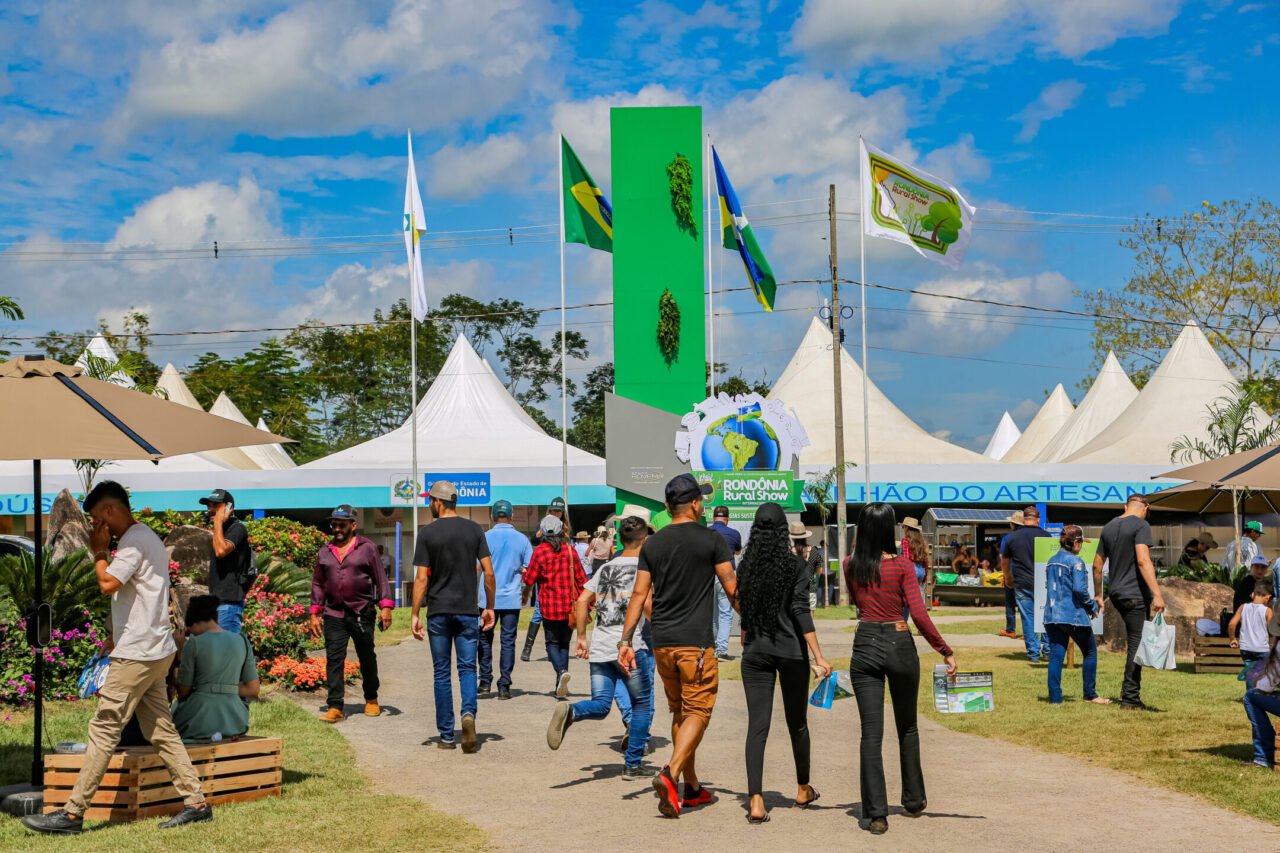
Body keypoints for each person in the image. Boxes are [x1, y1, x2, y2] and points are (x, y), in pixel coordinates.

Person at [23, 481, 210, 834]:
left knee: (104, 727)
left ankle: (73, 814)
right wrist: (114, 634)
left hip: (137, 654)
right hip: (155, 650)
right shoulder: (147, 537)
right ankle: (196, 802)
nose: (94, 526)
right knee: (161, 730)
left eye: (95, 518)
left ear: (109, 512)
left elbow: (108, 584)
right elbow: (139, 596)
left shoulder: (133, 542)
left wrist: (98, 551)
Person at [618, 473, 737, 820]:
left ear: (669, 507)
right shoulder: (711, 539)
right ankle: (670, 774)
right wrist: (757, 626)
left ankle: (693, 788)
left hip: (663, 644)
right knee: (698, 712)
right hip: (696, 645)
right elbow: (731, 587)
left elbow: (640, 595)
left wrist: (625, 641)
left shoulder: (652, 544)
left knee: (680, 713)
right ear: (696, 504)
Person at [845, 503, 954, 836]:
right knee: (907, 726)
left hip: (864, 642)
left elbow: (856, 602)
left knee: (870, 733)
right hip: (898, 640)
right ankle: (913, 797)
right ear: (889, 530)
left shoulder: (851, 565)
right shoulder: (904, 566)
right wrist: (945, 650)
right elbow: (919, 615)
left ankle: (876, 813)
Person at [737, 503, 833, 824]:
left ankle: (755, 800)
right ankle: (803, 788)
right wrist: (818, 655)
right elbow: (800, 611)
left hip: (755, 653)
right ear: (782, 533)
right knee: (798, 724)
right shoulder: (795, 566)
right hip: (791, 652)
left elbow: (744, 605)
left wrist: (746, 630)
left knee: (757, 726)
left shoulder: (745, 566)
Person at [547, 515, 656, 780]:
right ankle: (632, 764)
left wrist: (582, 637)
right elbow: (649, 608)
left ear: (620, 540)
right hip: (631, 645)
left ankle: (572, 711)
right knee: (641, 705)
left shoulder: (605, 568)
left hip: (601, 644)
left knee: (601, 703)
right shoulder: (646, 568)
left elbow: (582, 600)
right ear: (644, 540)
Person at [411, 481, 496, 753]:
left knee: (442, 673)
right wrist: (489, 607)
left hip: (438, 612)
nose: (429, 505)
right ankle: (468, 715)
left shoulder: (427, 534)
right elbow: (489, 573)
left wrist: (414, 613)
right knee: (468, 669)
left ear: (438, 502)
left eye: (430, 501)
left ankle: (447, 736)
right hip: (467, 610)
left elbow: (422, 578)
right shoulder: (474, 530)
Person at [309, 505, 394, 723]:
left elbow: (380, 579)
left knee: (367, 657)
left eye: (341, 524)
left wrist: (386, 607)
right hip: (333, 613)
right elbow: (318, 583)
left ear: (353, 525)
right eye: (334, 524)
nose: (336, 528)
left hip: (362, 611)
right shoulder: (325, 551)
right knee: (334, 659)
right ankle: (335, 706)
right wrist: (314, 612)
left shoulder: (367, 548)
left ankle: (371, 698)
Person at [1094, 493, 1166, 710]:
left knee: (1134, 644)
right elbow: (1143, 560)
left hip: (1116, 593)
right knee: (1136, 645)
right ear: (1146, 508)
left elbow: (1097, 565)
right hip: (1135, 594)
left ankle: (1129, 694)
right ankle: (1130, 698)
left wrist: (1099, 594)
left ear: (1126, 506)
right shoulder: (1141, 526)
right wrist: (1157, 593)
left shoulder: (1108, 527)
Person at [172, 594, 261, 741]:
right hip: (235, 721)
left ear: (193, 624)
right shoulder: (241, 641)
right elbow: (253, 689)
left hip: (197, 720)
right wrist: (227, 687)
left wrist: (179, 654)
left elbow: (183, 692)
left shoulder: (193, 643)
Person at [1043, 525, 1109, 706]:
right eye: (1081, 542)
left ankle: (1055, 699)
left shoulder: (1051, 560)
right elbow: (1079, 589)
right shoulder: (1076, 562)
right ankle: (1090, 694)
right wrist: (1092, 606)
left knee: (1056, 655)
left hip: (1051, 615)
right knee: (1090, 652)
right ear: (1076, 543)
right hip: (1072, 616)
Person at [523, 515, 588, 697]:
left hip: (549, 607)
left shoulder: (540, 552)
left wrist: (524, 575)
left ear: (543, 531)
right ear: (561, 530)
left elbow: (529, 579)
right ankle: (561, 684)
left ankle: (560, 673)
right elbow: (582, 579)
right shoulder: (570, 551)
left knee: (551, 644)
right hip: (569, 607)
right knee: (564, 644)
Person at [480, 499, 534, 699]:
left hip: (485, 598)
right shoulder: (522, 540)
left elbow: (477, 567)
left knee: (484, 639)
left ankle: (485, 681)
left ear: (492, 517)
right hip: (511, 598)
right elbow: (530, 569)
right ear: (512, 516)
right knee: (508, 641)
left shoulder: (484, 537)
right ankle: (504, 685)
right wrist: (525, 589)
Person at [1001, 507, 1052, 662]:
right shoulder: (1046, 537)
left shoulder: (1012, 538)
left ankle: (1033, 653)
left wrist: (1008, 577)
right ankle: (1048, 650)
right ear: (1038, 519)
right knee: (1046, 616)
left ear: (1024, 519)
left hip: (1022, 582)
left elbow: (1004, 561)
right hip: (1043, 583)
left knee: (1027, 617)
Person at [199, 488, 252, 634]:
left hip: (229, 603)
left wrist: (217, 521)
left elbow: (221, 551)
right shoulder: (220, 532)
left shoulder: (238, 528)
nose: (210, 510)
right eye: (208, 506)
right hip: (217, 603)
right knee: (217, 652)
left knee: (226, 653)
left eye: (216, 506)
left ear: (229, 508)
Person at [523, 497, 566, 660]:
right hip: (546, 570)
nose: (556, 514)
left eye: (559, 511)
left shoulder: (564, 527)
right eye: (554, 511)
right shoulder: (544, 523)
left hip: (560, 572)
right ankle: (528, 648)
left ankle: (556, 649)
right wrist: (540, 532)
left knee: (559, 611)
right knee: (539, 611)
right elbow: (534, 539)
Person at [709, 506, 742, 660]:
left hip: (707, 574)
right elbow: (737, 552)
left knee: (713, 613)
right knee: (725, 612)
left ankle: (713, 648)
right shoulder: (734, 533)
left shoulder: (705, 532)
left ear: (714, 517)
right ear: (727, 519)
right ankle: (721, 650)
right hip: (727, 575)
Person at [1230, 580, 1274, 666]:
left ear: (1253, 594)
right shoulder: (1268, 611)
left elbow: (1232, 624)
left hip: (1246, 649)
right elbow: (1272, 630)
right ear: (1268, 597)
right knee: (1263, 675)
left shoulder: (1243, 607)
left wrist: (1232, 639)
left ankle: (1250, 678)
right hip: (1262, 649)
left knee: (1251, 673)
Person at [997, 512, 1022, 640]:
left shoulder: (1008, 538)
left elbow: (1003, 557)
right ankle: (1027, 632)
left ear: (1013, 524)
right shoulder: (1030, 536)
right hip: (1027, 574)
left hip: (1012, 572)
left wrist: (1006, 576)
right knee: (1026, 604)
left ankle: (1010, 630)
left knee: (1010, 602)